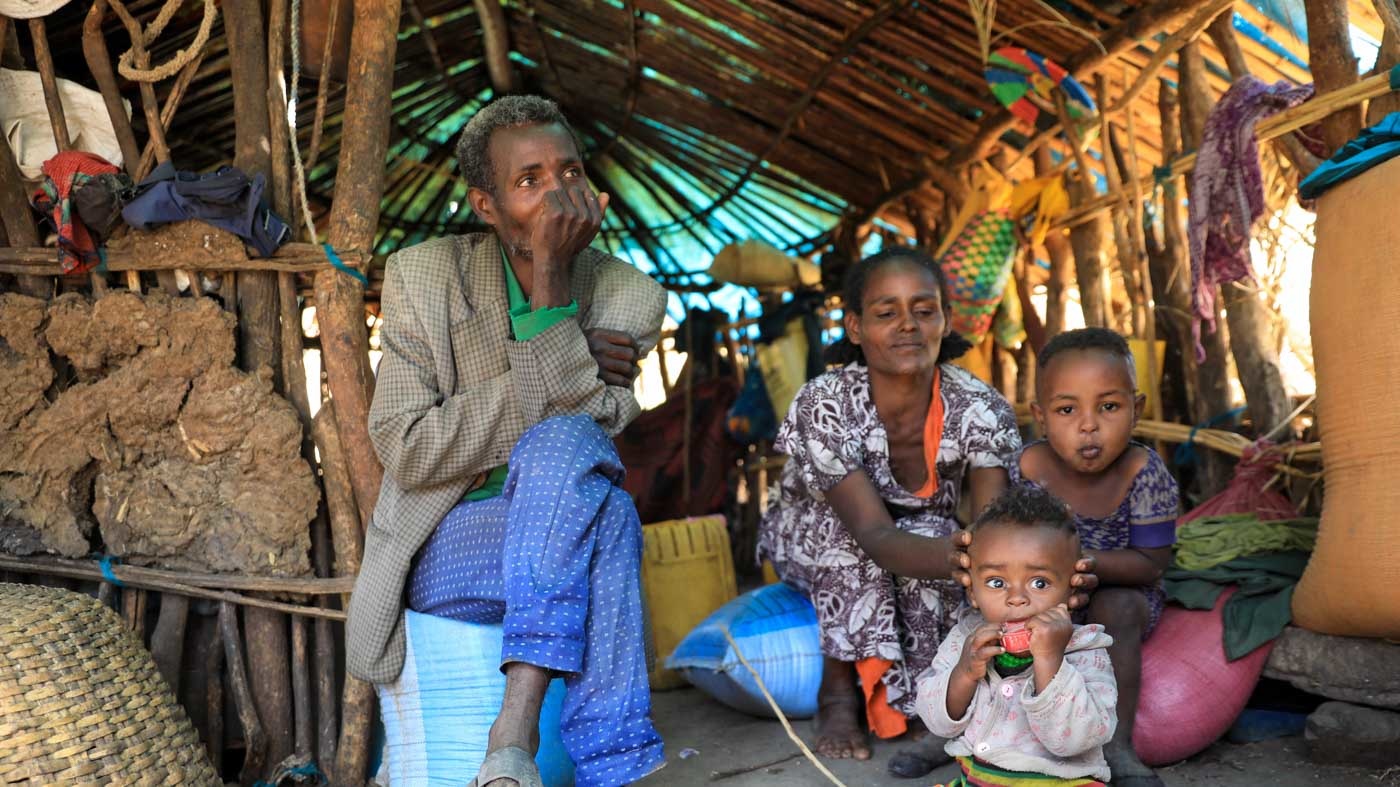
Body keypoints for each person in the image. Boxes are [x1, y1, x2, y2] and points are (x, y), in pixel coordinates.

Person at [344, 95, 668, 787]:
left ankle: (512, 738)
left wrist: (552, 298)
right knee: (600, 503)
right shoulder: (424, 278)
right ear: (486, 207)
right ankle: (602, 762)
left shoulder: (628, 294)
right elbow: (406, 445)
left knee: (582, 472)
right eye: (529, 180)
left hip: (566, 532)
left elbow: (592, 431)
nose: (559, 193)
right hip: (450, 537)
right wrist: (562, 334)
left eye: (570, 171)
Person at [757, 247, 1099, 777]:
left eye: (923, 309)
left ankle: (925, 698)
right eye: (886, 312)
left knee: (944, 536)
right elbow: (870, 530)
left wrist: (1000, 568)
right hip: (812, 532)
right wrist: (966, 561)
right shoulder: (824, 403)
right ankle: (839, 690)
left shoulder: (979, 406)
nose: (907, 325)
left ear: (945, 319)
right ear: (854, 326)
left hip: (922, 534)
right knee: (856, 546)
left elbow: (993, 524)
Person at [1011, 327, 1179, 787]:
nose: (1089, 425)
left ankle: (1118, 745)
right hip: (1041, 591)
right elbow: (1005, 543)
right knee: (993, 608)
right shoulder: (1026, 469)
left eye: (1108, 407)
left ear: (1137, 409)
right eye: (1068, 410)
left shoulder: (1145, 472)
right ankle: (958, 726)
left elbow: (1151, 562)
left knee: (1117, 607)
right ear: (1041, 417)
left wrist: (1082, 564)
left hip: (1122, 588)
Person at [916, 484, 1117, 786]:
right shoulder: (966, 640)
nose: (1016, 598)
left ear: (1072, 587)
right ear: (971, 590)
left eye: (1039, 583)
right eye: (996, 583)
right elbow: (937, 722)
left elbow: (1076, 740)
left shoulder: (1087, 649)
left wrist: (1051, 660)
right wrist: (963, 673)